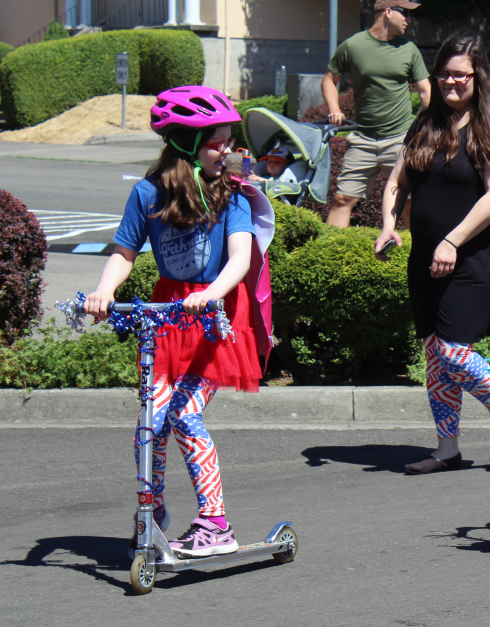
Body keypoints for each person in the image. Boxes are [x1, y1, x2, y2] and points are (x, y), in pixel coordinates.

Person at [84, 86, 269, 558]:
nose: (227, 149)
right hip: (167, 317)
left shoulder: (233, 196)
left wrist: (210, 294)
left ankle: (215, 523)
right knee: (150, 419)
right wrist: (105, 290)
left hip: (213, 318)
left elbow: (240, 258)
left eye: (229, 140)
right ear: (186, 143)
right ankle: (154, 511)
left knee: (185, 415)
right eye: (217, 141)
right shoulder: (147, 192)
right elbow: (125, 251)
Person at [375, 30, 490, 474]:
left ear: (479, 77)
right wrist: (388, 223)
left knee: (454, 349)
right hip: (425, 257)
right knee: (435, 355)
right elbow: (398, 181)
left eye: (460, 75)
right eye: (443, 75)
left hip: (474, 257)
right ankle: (447, 448)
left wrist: (452, 240)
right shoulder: (426, 124)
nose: (450, 83)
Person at [321, 0, 431, 228]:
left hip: (400, 140)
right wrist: (334, 109)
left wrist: (431, 126)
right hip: (363, 139)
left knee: (411, 201)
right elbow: (329, 80)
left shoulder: (409, 49)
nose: (409, 20)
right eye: (406, 14)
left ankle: (416, 259)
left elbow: (425, 92)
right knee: (343, 199)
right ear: (388, 12)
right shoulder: (353, 46)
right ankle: (332, 255)